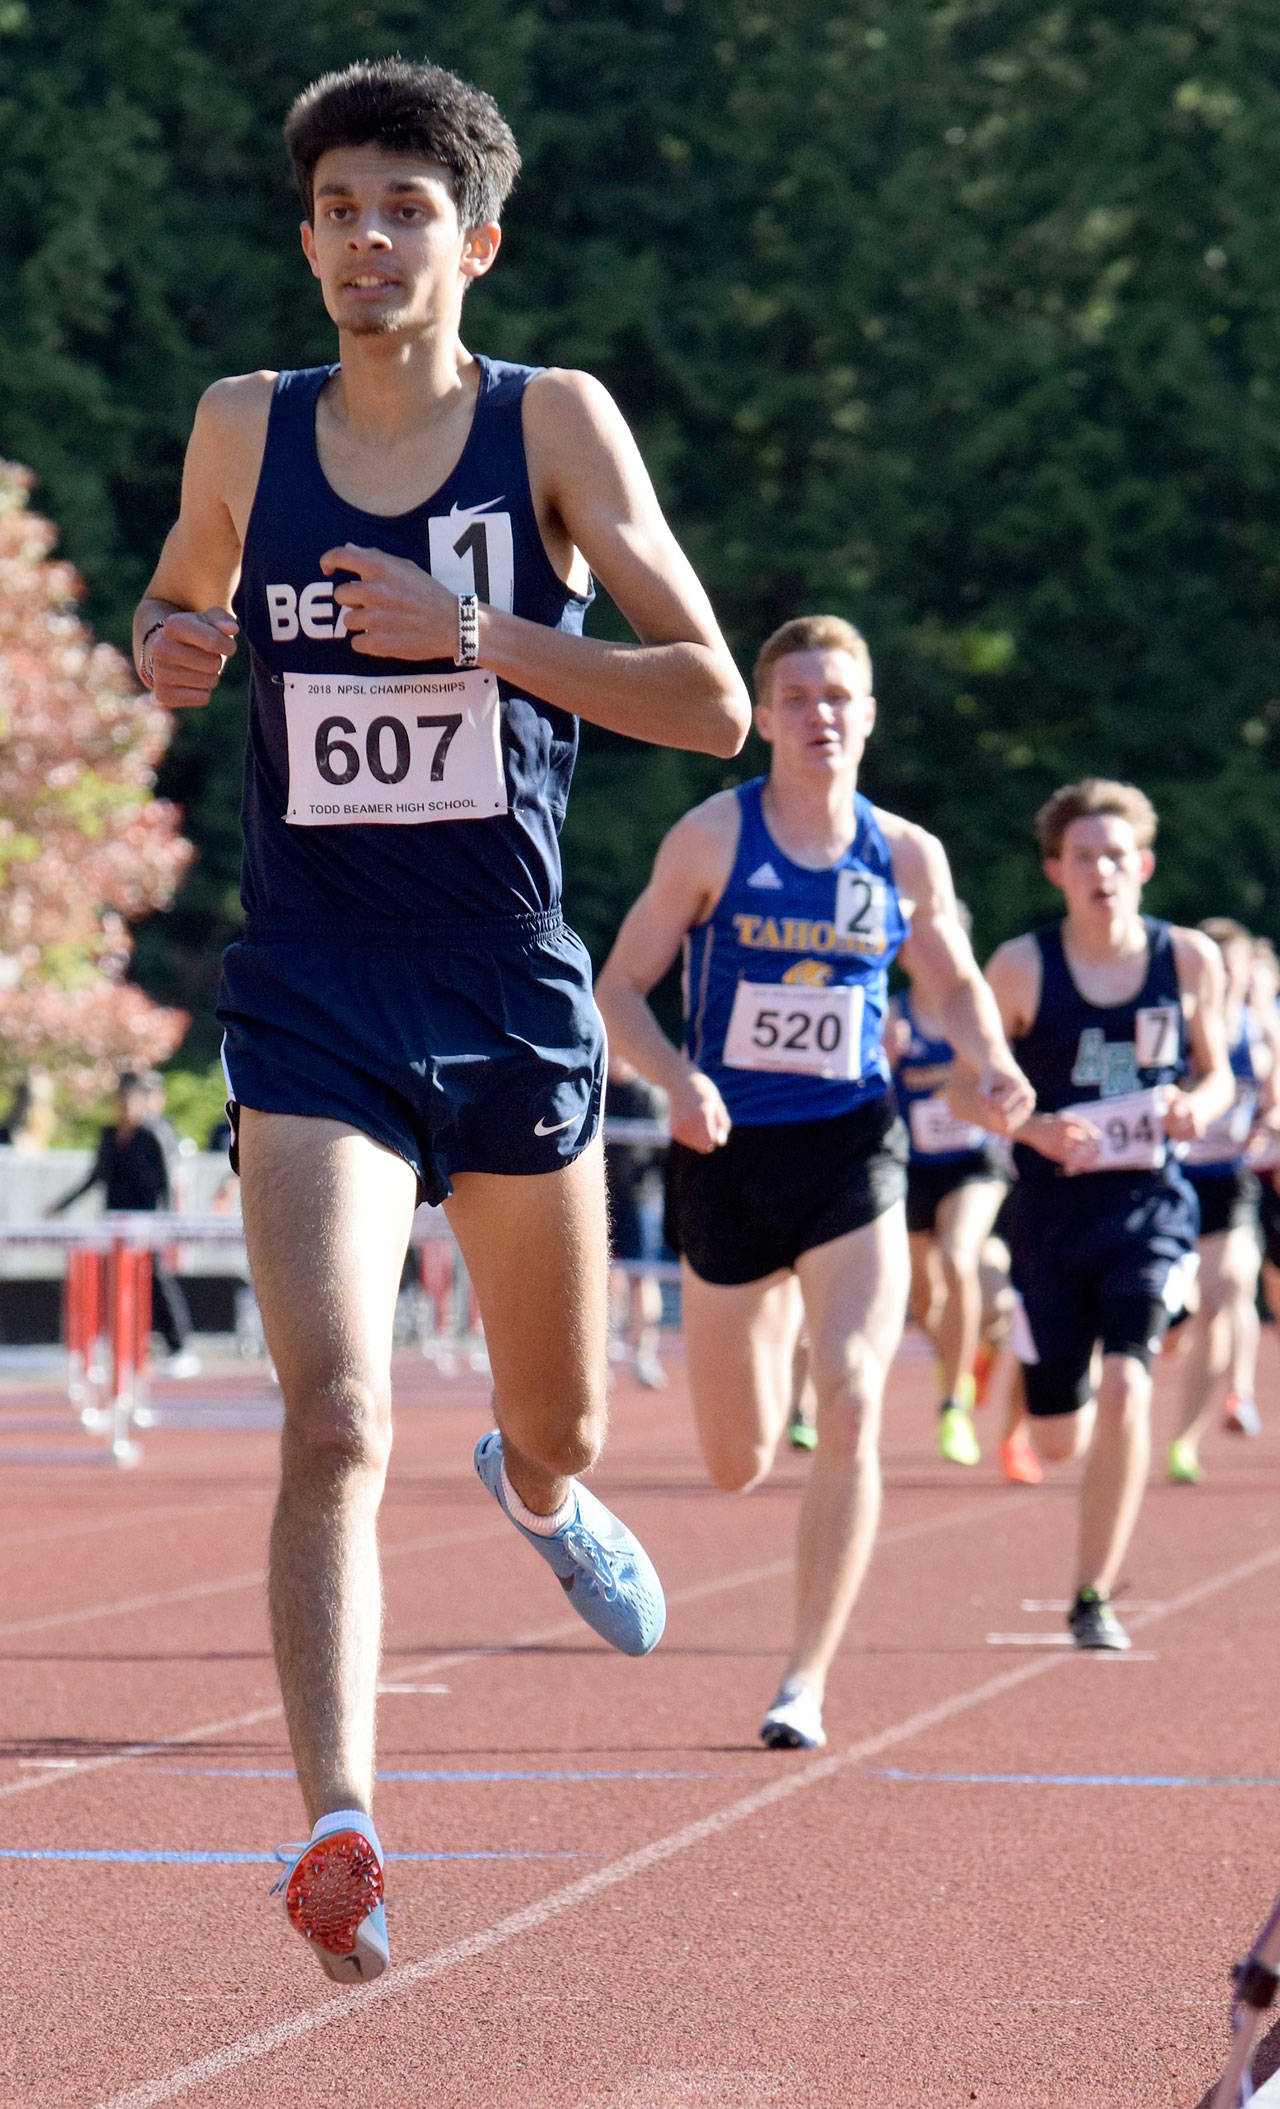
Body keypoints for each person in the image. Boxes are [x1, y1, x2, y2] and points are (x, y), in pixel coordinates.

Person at [132, 58, 749, 1982]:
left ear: (473, 243)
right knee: (332, 1412)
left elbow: (711, 698)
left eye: (405, 210)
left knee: (553, 1409)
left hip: (506, 980)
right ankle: (342, 1825)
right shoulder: (245, 423)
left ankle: (543, 1488)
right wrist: (171, 647)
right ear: (307, 235)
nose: (367, 240)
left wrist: (475, 633)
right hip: (313, 980)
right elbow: (171, 610)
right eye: (338, 209)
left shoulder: (551, 420)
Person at [596, 614, 1033, 1751]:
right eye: (796, 697)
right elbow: (618, 988)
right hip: (727, 1153)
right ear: (763, 716)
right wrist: (678, 1079)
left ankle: (803, 1680)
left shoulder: (904, 855)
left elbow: (949, 983)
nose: (819, 715)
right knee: (735, 1462)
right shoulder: (711, 838)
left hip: (851, 1145)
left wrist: (990, 1062)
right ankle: (776, 1313)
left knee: (851, 1396)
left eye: (838, 696)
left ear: (868, 715)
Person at [970, 780, 1232, 1651]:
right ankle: (1048, 1361)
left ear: (1143, 865)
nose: (1102, 871)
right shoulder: (1021, 967)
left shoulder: (1188, 958)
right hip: (1050, 1216)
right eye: (1084, 857)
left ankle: (1092, 1595)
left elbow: (1218, 1072)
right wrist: (1035, 1127)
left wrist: (1198, 1103)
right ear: (1056, 869)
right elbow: (963, 1090)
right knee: (1059, 1440)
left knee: (1128, 1384)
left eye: (1116, 856)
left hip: (1148, 1205)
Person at [886, 929, 1009, 1469]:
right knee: (924, 1302)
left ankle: (953, 1403)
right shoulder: (891, 1014)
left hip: (972, 1165)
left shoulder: (979, 1013)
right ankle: (963, 1357)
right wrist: (883, 1059)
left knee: (960, 1257)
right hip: (912, 1169)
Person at [1167, 919, 1275, 1480]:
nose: (1229, 977)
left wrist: (1270, 1120)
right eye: (1219, 966)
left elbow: (1275, 1096)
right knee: (1180, 1317)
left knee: (1226, 1293)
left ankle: (1187, 1439)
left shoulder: (1261, 1028)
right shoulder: (1180, 1023)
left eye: (1236, 967)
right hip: (1173, 1180)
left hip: (1231, 1179)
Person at [46, 1071, 200, 1375]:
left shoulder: (154, 1134)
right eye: (121, 1100)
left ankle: (179, 1346)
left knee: (156, 1281)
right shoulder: (109, 1135)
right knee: (113, 1284)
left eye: (131, 1099)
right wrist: (61, 1205)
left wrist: (168, 1225)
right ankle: (120, 1347)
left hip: (148, 1223)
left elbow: (167, 1183)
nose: (126, 1106)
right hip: (115, 1223)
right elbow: (95, 1176)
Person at [603, 1058, 669, 1388]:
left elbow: (663, 1155)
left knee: (643, 1279)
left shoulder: (650, 1095)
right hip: (600, 1198)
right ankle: (600, 1357)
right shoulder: (595, 1086)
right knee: (602, 1279)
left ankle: (644, 1355)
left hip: (640, 1200)